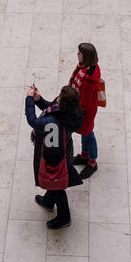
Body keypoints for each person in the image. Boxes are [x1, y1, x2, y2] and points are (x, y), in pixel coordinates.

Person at [25, 82, 83, 230]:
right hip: (65, 149)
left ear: (62, 103)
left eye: (59, 97)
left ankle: (64, 217)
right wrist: (38, 99)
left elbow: (33, 121)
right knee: (54, 182)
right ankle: (48, 201)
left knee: (56, 184)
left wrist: (29, 99)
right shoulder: (72, 112)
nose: (56, 99)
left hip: (54, 157)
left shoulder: (52, 122)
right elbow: (51, 108)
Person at [69, 43, 102, 179]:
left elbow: (85, 102)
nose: (77, 55)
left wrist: (74, 111)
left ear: (86, 57)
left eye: (80, 54)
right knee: (85, 133)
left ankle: (92, 162)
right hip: (80, 108)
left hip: (85, 112)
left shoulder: (89, 79)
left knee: (88, 134)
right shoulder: (84, 67)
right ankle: (84, 156)